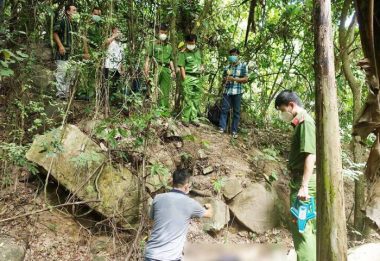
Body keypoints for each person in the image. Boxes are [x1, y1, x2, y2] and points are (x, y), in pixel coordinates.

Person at [274, 90, 316, 261]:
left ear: (291, 105)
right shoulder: (300, 122)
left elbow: (310, 154)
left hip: (304, 182)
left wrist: (304, 186)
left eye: (282, 110)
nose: (282, 114)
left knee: (302, 228)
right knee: (305, 228)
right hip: (300, 180)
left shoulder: (305, 122)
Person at [144, 169, 213, 261]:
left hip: (151, 255)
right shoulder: (190, 203)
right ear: (186, 186)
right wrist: (209, 206)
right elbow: (209, 214)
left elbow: (152, 217)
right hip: (171, 257)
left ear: (172, 182)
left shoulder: (158, 198)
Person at [144, 23, 175, 110]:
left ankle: (163, 109)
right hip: (157, 68)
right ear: (158, 33)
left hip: (166, 69)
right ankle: (153, 108)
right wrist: (146, 69)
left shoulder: (169, 46)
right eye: (162, 32)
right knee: (154, 88)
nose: (163, 35)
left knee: (165, 90)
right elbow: (148, 58)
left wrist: (173, 71)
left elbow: (171, 60)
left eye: (165, 33)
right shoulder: (154, 44)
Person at [218, 48, 248, 139]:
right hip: (227, 91)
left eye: (235, 55)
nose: (233, 56)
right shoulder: (227, 67)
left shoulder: (243, 66)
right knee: (224, 109)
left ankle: (234, 131)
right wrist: (225, 80)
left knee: (236, 112)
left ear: (238, 56)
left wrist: (234, 79)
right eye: (232, 55)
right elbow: (223, 79)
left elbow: (246, 79)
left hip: (238, 91)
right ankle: (221, 128)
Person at [53, 4, 79, 99]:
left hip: (72, 54)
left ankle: (67, 93)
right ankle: (60, 93)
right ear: (68, 11)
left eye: (76, 10)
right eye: (74, 10)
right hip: (63, 52)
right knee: (61, 73)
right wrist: (60, 46)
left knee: (71, 74)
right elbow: (55, 33)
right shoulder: (62, 20)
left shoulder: (74, 24)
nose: (75, 12)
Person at [178, 34, 203, 127]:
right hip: (188, 77)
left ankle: (194, 118)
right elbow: (181, 67)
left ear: (195, 42)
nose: (191, 45)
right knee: (187, 99)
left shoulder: (198, 52)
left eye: (192, 43)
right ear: (186, 42)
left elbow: (201, 63)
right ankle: (185, 118)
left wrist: (202, 68)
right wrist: (184, 79)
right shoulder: (183, 53)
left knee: (196, 99)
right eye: (189, 43)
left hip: (197, 78)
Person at [102, 26, 126, 108]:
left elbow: (121, 57)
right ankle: (105, 103)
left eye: (119, 31)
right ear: (113, 31)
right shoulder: (110, 41)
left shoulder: (121, 44)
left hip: (117, 68)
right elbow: (104, 44)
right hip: (108, 66)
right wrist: (114, 36)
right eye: (116, 31)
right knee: (107, 86)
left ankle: (112, 103)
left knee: (115, 86)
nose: (118, 33)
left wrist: (122, 68)